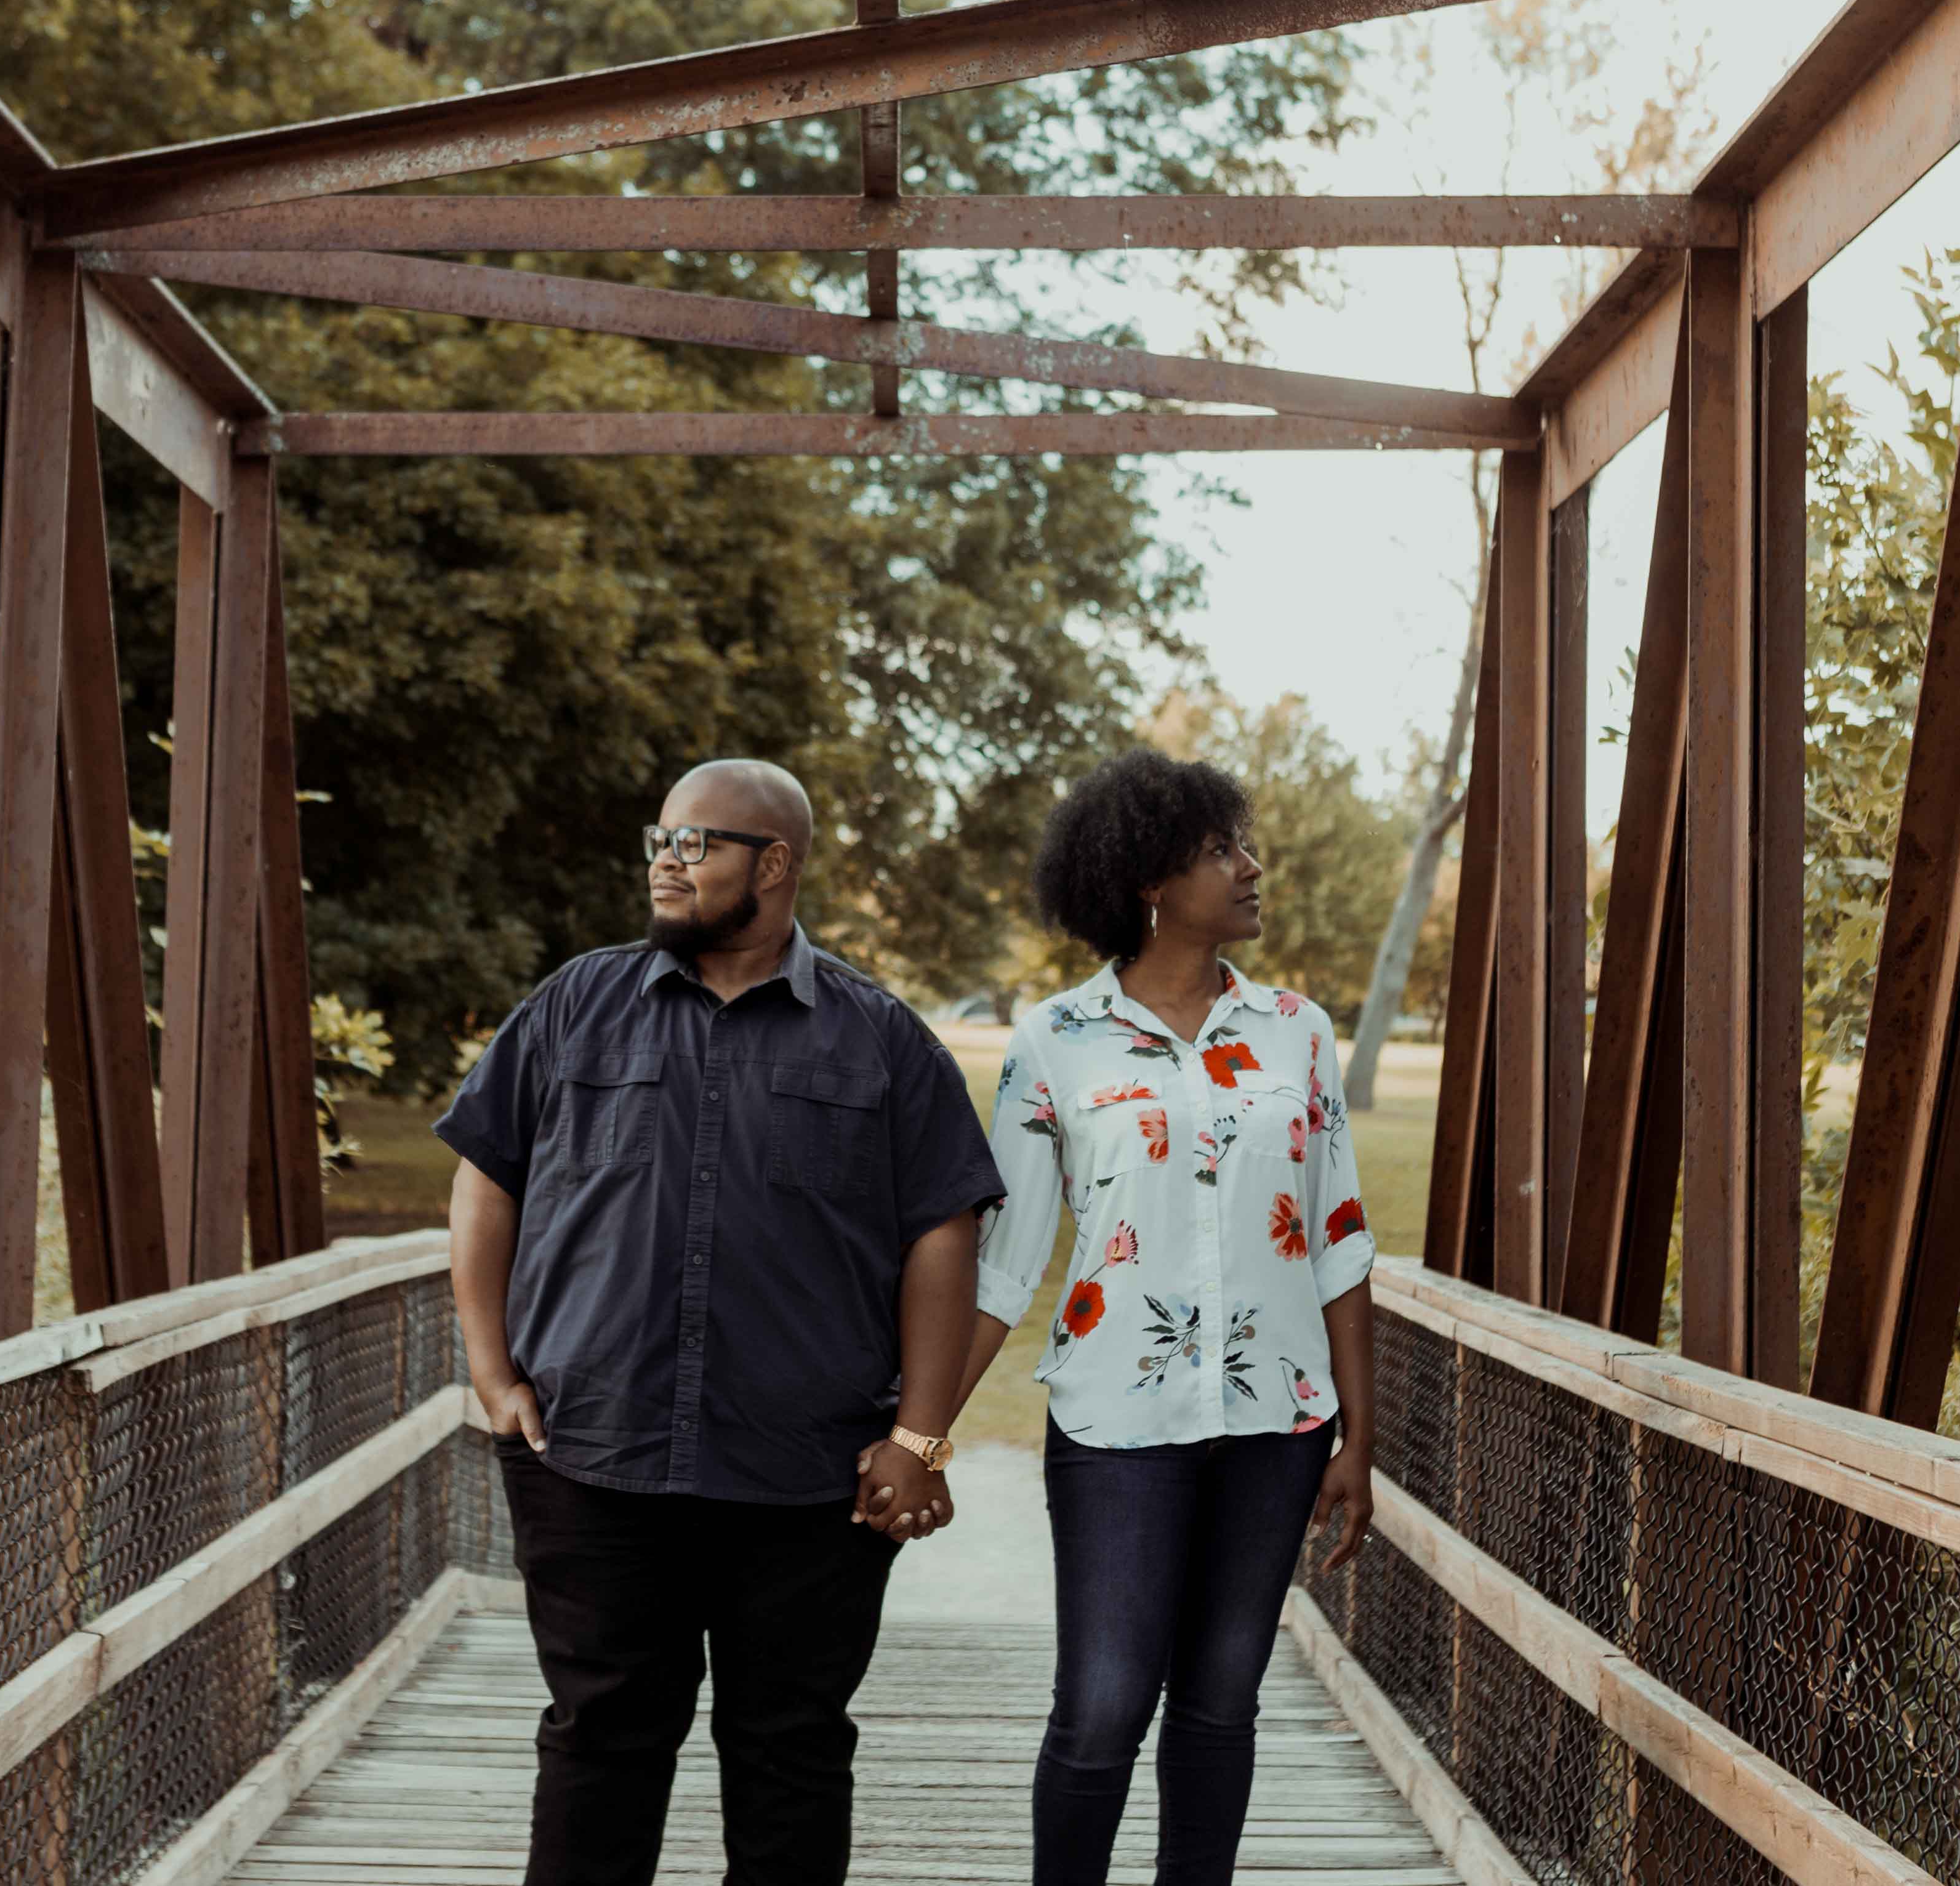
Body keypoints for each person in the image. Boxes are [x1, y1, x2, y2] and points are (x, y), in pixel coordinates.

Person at [439, 757, 1005, 1886]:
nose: (666, 857)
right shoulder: (572, 1005)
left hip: (806, 1474)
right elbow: (486, 1177)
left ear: (776, 864)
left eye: (696, 842)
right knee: (601, 1741)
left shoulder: (881, 1039)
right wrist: (490, 1365)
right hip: (593, 1453)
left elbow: (944, 1231)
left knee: (790, 1752)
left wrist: (921, 1433)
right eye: (661, 836)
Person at [952, 748, 1378, 1886]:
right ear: (1148, 878)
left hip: (1277, 1420)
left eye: (1243, 845)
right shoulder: (1057, 1041)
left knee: (1220, 1702)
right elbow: (1007, 1263)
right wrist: (920, 1431)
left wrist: (1359, 1437)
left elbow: (1338, 1234)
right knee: (1100, 1706)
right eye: (1220, 850)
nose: (1252, 867)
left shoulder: (1296, 1029)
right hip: (1115, 1422)